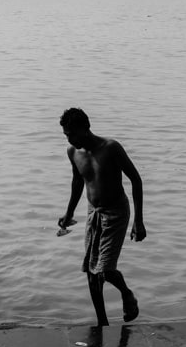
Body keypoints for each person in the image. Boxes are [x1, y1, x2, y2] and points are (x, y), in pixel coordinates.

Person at [58, 108, 146, 326]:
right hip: (93, 212)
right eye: (66, 135)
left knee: (104, 269)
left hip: (116, 212)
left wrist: (139, 220)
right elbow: (78, 182)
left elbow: (135, 179)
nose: (69, 139)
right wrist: (68, 212)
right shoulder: (73, 152)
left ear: (85, 129)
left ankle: (126, 293)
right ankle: (102, 322)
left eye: (72, 134)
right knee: (90, 270)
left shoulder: (110, 148)